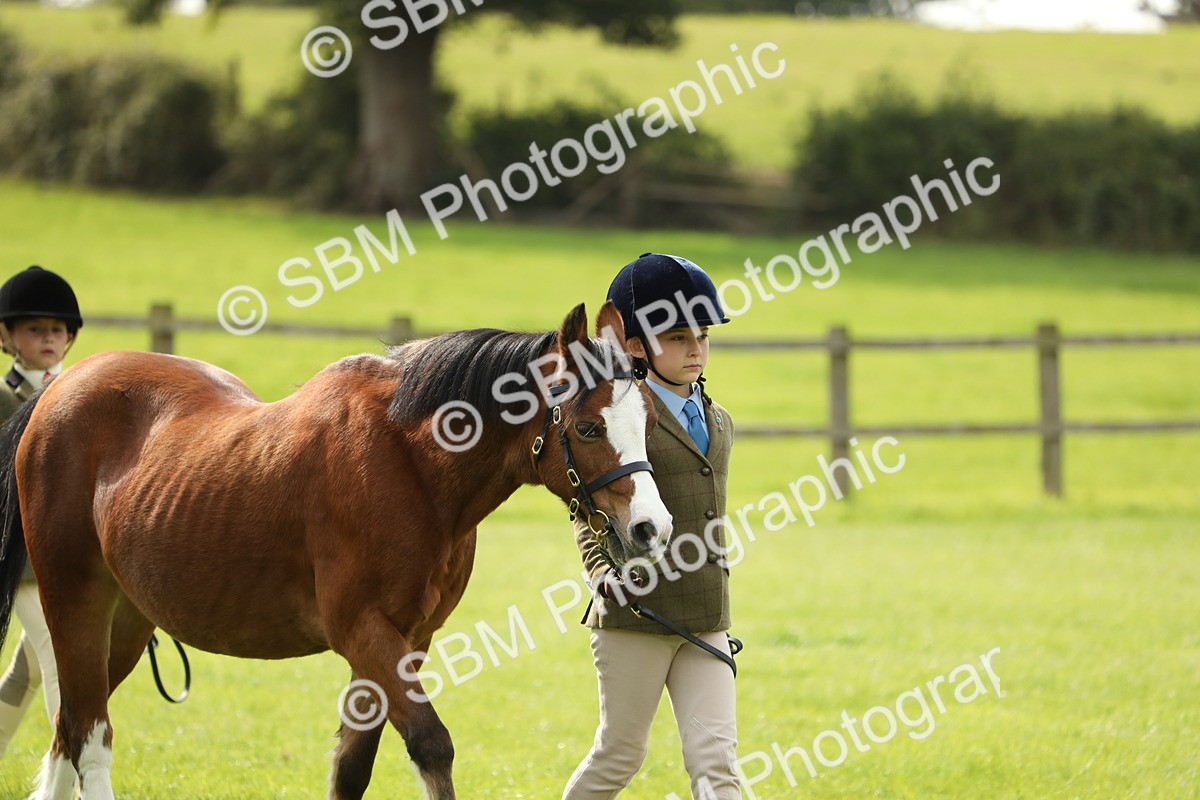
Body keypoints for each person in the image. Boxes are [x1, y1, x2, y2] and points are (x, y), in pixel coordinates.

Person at [564, 253, 739, 800]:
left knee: (717, 762)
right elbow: (585, 510)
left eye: (702, 336)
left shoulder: (719, 419)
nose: (696, 349)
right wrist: (599, 570)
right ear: (636, 347)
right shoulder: (621, 419)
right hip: (635, 614)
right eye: (678, 337)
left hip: (705, 615)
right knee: (619, 755)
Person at [0, 265, 84, 756]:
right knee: (58, 658)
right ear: (7, 337)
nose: (49, 338)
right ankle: (73, 770)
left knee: (29, 669)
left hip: (68, 554)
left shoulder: (81, 395)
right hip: (23, 558)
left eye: (57, 329)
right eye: (35, 329)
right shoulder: (3, 398)